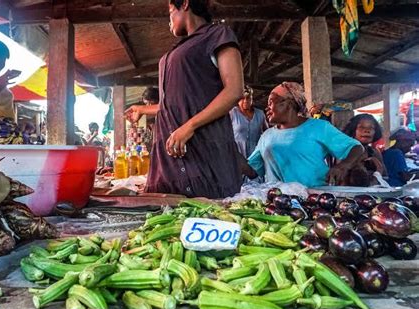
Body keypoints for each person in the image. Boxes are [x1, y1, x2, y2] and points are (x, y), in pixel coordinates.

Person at [125, 0, 244, 198]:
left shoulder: (217, 35)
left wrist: (189, 127)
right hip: (169, 156)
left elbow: (234, 90)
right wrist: (142, 109)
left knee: (206, 212)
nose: (168, 21)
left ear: (185, 3)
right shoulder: (179, 48)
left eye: (170, 11)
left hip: (202, 149)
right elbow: (174, 104)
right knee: (169, 218)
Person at [246, 82, 364, 187]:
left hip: (314, 198)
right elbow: (252, 171)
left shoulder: (319, 127)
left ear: (289, 103)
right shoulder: (266, 136)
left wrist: (343, 166)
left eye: (271, 102)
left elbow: (356, 148)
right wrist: (231, 149)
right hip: (278, 202)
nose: (267, 108)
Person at [343, 114, 386, 185]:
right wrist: (378, 171)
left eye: (371, 128)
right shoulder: (346, 151)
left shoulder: (374, 152)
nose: (367, 131)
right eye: (361, 127)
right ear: (353, 130)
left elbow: (385, 177)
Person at [230, 85, 268, 159]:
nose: (245, 101)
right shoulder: (232, 113)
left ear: (252, 99)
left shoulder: (260, 114)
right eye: (242, 99)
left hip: (255, 154)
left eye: (248, 98)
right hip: (237, 153)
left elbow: (267, 133)